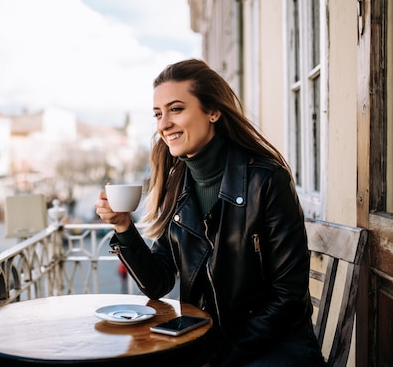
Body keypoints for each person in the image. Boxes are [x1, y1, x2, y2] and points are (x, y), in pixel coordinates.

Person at [95, 59, 325, 366]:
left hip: (271, 346)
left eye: (176, 109)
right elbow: (158, 282)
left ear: (213, 112)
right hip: (207, 339)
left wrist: (220, 356)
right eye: (158, 114)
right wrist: (124, 227)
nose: (163, 124)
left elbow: (288, 298)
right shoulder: (177, 185)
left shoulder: (266, 179)